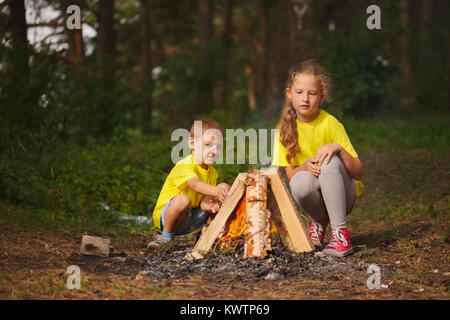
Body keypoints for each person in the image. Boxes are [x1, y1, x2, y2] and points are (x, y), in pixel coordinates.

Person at [272, 60, 363, 257]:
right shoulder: (283, 130)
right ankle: (320, 220)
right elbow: (291, 177)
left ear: (321, 97)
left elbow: (357, 172)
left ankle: (340, 235)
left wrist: (337, 148)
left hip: (344, 193)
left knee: (328, 159)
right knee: (299, 182)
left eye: (312, 93)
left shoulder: (330, 123)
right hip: (315, 196)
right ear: (289, 94)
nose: (305, 98)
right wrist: (304, 165)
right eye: (299, 92)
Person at [148, 118, 230, 248]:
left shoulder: (212, 172)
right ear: (192, 143)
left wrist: (212, 203)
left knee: (224, 187)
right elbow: (196, 185)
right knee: (183, 200)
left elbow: (204, 199)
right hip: (170, 218)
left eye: (218, 147)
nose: (214, 151)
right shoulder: (184, 165)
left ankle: (207, 233)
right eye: (208, 145)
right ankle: (165, 237)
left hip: (193, 217)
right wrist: (216, 192)